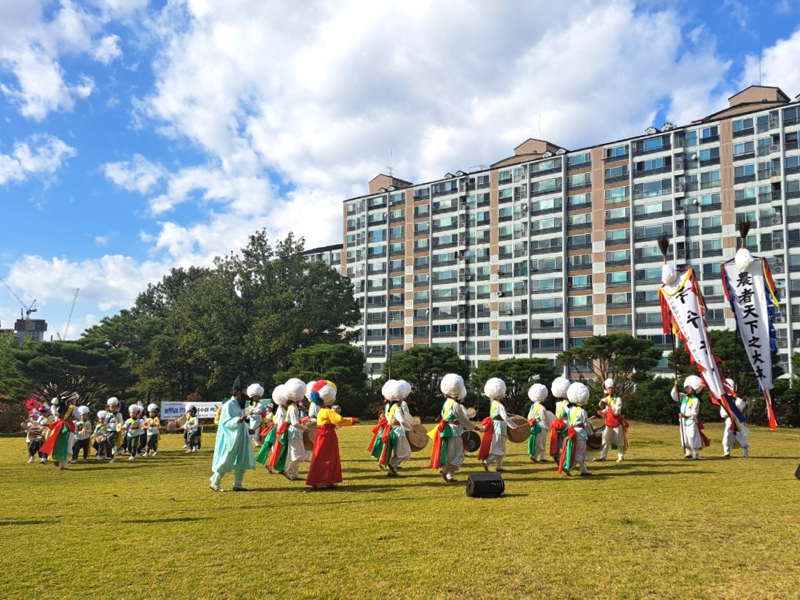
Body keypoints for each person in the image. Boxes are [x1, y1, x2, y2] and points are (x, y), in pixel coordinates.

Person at [305, 381, 359, 489]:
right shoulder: (328, 411)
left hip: (321, 435)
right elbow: (339, 420)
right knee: (328, 457)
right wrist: (353, 420)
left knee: (321, 457)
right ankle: (324, 480)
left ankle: (324, 480)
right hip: (327, 435)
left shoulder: (321, 411)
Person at [429, 374, 483, 483]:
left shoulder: (446, 403)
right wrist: (476, 428)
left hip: (447, 430)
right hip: (454, 431)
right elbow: (463, 419)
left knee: (449, 452)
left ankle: (449, 475)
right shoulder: (455, 405)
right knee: (458, 454)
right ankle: (446, 471)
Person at [210, 373, 256, 492]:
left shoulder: (240, 405)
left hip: (241, 436)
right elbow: (225, 422)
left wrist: (247, 428)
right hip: (230, 437)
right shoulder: (228, 405)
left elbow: (242, 420)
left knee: (242, 459)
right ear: (238, 392)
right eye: (243, 393)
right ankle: (215, 482)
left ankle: (238, 484)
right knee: (226, 458)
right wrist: (237, 420)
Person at [477, 378, 518, 472]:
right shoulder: (500, 405)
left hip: (495, 426)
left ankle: (499, 466)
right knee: (499, 448)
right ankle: (487, 461)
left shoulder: (493, 404)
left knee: (499, 447)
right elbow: (505, 417)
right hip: (499, 427)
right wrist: (514, 426)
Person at [377, 380, 413, 477]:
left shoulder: (389, 406)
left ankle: (392, 471)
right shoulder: (397, 408)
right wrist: (410, 428)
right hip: (398, 431)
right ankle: (393, 465)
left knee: (397, 451)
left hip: (391, 430)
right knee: (405, 452)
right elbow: (402, 420)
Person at [671, 375, 710, 460]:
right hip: (683, 422)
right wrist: (676, 386)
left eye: (690, 387)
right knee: (684, 437)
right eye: (687, 387)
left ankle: (695, 454)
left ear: (694, 389)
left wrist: (685, 416)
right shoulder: (683, 397)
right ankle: (688, 452)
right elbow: (675, 396)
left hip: (691, 421)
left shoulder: (695, 400)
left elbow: (694, 413)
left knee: (692, 436)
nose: (688, 389)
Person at [39, 393, 78, 470]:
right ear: (71, 400)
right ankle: (63, 465)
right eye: (75, 400)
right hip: (68, 427)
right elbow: (78, 418)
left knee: (56, 443)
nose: (75, 401)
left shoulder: (55, 407)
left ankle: (55, 458)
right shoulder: (73, 408)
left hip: (57, 427)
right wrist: (72, 417)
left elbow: (55, 415)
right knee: (67, 445)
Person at [563, 382, 594, 476]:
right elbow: (586, 424)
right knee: (580, 452)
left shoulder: (570, 410)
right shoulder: (582, 411)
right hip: (580, 434)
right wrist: (591, 433)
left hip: (571, 433)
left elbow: (566, 409)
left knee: (578, 452)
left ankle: (583, 470)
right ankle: (568, 467)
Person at [283, 378, 309, 481]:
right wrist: (305, 428)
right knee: (299, 455)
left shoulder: (291, 407)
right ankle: (287, 470)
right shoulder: (293, 408)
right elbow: (294, 423)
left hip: (293, 432)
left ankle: (295, 475)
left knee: (295, 455)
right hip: (295, 432)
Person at [596, 378, 628, 463]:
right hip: (608, 423)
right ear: (606, 390)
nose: (610, 390)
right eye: (609, 388)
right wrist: (601, 412)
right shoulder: (605, 399)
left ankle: (621, 456)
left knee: (619, 441)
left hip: (617, 423)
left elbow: (617, 411)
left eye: (612, 388)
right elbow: (606, 411)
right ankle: (602, 456)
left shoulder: (618, 399)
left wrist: (609, 404)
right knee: (605, 440)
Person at [255, 385, 283, 472]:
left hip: (271, 428)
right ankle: (273, 465)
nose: (267, 408)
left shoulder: (271, 414)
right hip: (272, 430)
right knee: (275, 448)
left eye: (269, 407)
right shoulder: (272, 413)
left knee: (274, 448)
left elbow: (266, 420)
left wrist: (262, 417)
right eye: (267, 407)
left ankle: (273, 465)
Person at [721, 379, 750, 458]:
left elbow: (742, 406)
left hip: (737, 420)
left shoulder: (736, 400)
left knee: (741, 435)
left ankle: (745, 453)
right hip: (729, 420)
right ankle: (726, 453)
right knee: (727, 435)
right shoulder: (724, 400)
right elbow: (722, 413)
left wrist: (736, 397)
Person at [548, 377, 572, 464]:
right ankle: (563, 456)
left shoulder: (558, 403)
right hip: (565, 424)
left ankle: (557, 455)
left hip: (557, 423)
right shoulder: (567, 404)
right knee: (566, 440)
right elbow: (569, 413)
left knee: (557, 440)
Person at [526, 383, 550, 463]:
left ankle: (541, 457)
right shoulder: (542, 408)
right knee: (541, 443)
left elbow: (529, 417)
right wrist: (547, 427)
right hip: (541, 426)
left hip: (534, 426)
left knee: (537, 441)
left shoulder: (533, 406)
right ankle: (535, 456)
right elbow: (544, 419)